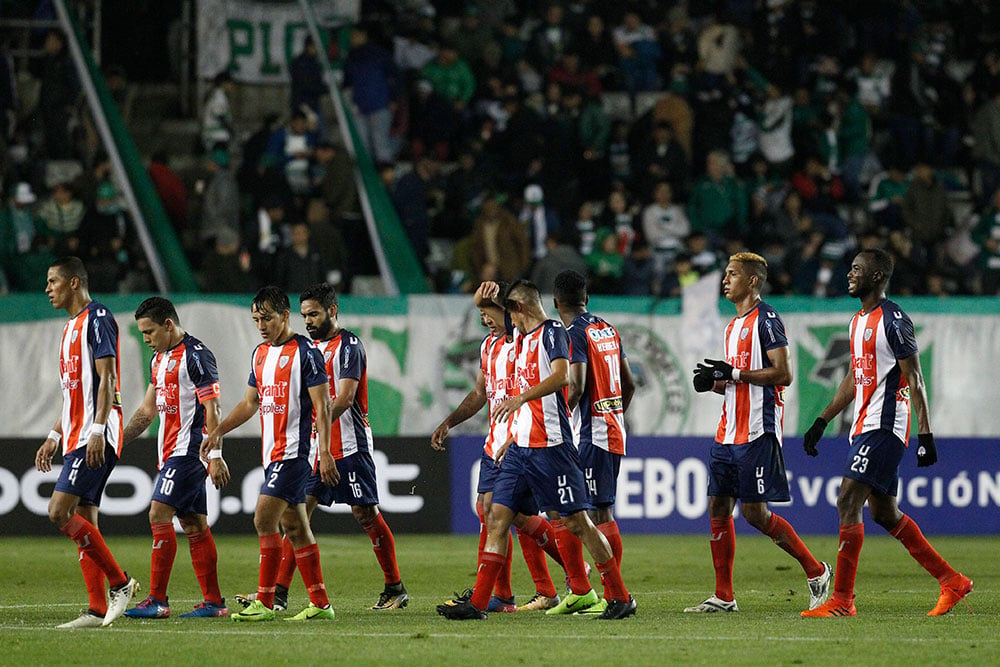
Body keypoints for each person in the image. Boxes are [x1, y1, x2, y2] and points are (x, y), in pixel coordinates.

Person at [437, 279, 635, 621]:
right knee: (496, 517)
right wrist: (513, 437)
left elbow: (563, 379)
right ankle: (480, 603)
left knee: (578, 522)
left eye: (508, 314)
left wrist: (521, 398)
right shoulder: (520, 340)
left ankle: (619, 595)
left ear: (519, 310)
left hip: (552, 448)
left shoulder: (554, 333)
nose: (504, 322)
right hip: (520, 448)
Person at [800, 249, 973, 618]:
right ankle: (951, 580)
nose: (850, 274)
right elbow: (855, 376)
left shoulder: (894, 320)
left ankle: (843, 601)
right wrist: (823, 419)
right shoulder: (857, 321)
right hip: (865, 423)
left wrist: (925, 436)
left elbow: (915, 377)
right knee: (884, 513)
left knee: (848, 501)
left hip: (886, 424)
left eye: (857, 270)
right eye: (850, 268)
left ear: (877, 277)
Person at [238, 283, 408, 612]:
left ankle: (394, 587)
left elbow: (343, 398)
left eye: (314, 313)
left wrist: (314, 422)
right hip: (315, 448)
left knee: (365, 513)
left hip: (349, 444)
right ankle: (278, 595)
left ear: (333, 310)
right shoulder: (305, 349)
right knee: (295, 517)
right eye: (304, 315)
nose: (309, 321)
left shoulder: (349, 346)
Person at [686, 252, 831, 613]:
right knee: (718, 505)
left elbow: (783, 375)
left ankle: (816, 571)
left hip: (756, 429)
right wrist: (715, 383)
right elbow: (740, 380)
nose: (725, 280)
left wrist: (732, 375)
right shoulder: (732, 325)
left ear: (752, 281)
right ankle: (723, 596)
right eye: (725, 274)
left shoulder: (766, 320)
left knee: (754, 513)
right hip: (727, 430)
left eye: (732, 274)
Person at [202, 286, 337, 622]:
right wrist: (218, 430)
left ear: (285, 315)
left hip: (294, 453)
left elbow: (323, 405)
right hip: (271, 454)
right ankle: (321, 604)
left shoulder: (306, 352)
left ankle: (264, 601)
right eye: (256, 319)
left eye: (267, 318)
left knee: (263, 519)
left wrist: (324, 451)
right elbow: (250, 403)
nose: (261, 325)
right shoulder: (259, 354)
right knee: (296, 528)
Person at [431, 281, 567, 613]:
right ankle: (511, 594)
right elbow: (480, 393)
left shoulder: (520, 340)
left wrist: (485, 295)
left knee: (503, 512)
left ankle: (564, 574)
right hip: (495, 441)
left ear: (507, 311)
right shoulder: (489, 346)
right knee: (495, 512)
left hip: (521, 441)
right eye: (479, 314)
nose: (484, 319)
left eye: (487, 312)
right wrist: (449, 421)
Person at [35, 256, 139, 628]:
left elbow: (106, 377)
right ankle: (96, 609)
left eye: (53, 281)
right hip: (76, 432)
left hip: (96, 434)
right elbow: (71, 395)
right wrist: (53, 435)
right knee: (84, 518)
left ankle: (121, 583)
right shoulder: (68, 329)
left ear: (74, 282)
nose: (48, 288)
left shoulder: (98, 318)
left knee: (58, 511)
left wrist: (97, 429)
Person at [120, 297, 229, 619]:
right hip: (170, 452)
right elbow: (145, 411)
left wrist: (216, 454)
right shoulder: (158, 359)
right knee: (194, 524)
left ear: (169, 324)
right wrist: (118, 442)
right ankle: (214, 603)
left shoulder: (196, 356)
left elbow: (214, 407)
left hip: (190, 451)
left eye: (149, 331)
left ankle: (157, 600)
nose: (146, 339)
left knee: (158, 514)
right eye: (142, 333)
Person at [553, 270, 635, 606]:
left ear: (556, 302)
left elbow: (577, 384)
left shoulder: (573, 333)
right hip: (612, 428)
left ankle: (598, 592)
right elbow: (629, 383)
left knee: (573, 513)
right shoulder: (607, 329)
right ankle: (607, 589)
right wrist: (614, 413)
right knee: (602, 511)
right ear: (586, 298)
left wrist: (558, 418)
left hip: (590, 433)